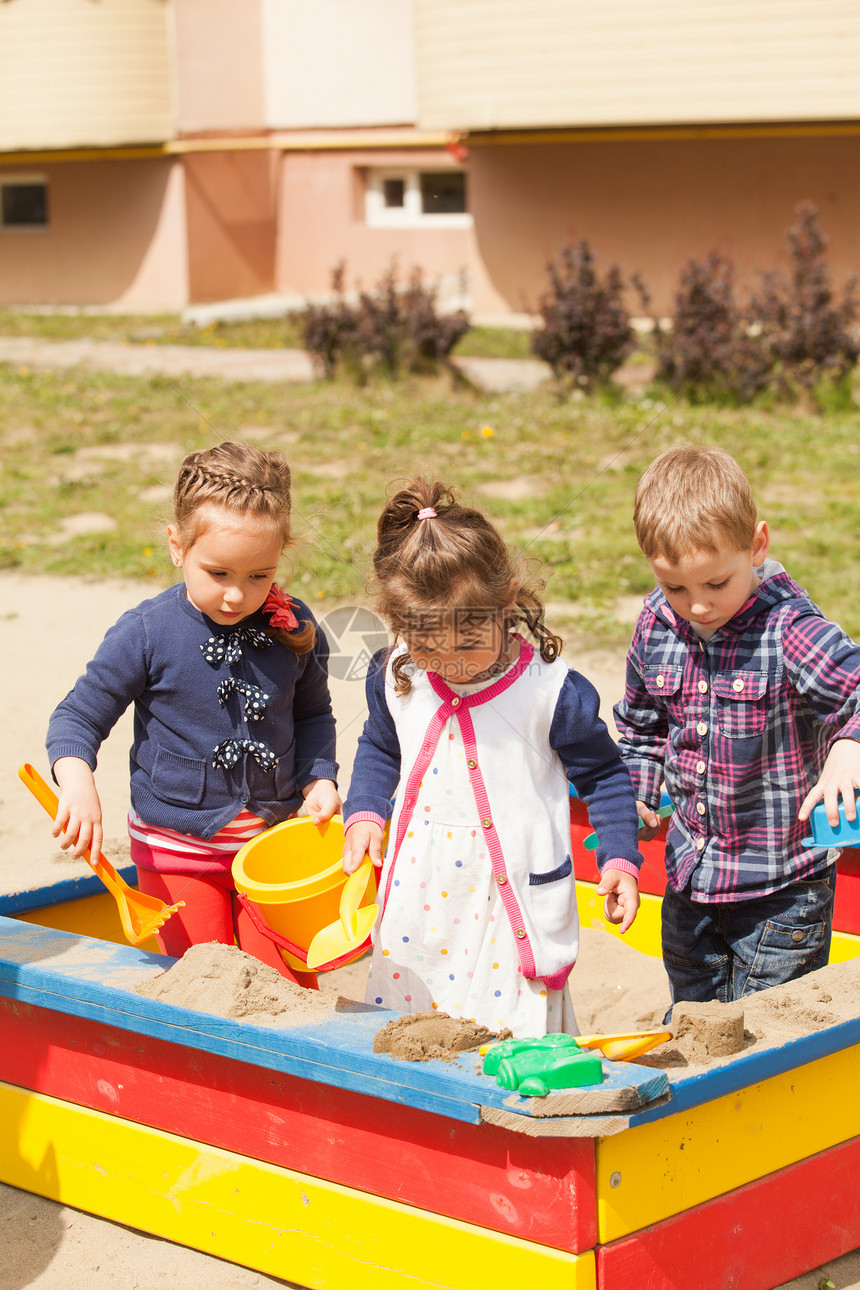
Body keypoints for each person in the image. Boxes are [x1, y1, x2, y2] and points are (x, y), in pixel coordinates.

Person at [341, 480, 643, 1037]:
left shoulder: (551, 694)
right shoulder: (398, 676)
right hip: (419, 896)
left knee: (509, 1034)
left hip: (508, 907)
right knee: (412, 1027)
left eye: (467, 642)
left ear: (506, 606)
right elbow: (380, 749)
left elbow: (603, 776)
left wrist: (620, 857)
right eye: (428, 647)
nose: (450, 664)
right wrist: (363, 812)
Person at [47, 441, 340, 986]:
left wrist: (318, 777)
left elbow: (314, 716)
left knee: (287, 984)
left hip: (269, 847)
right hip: (176, 847)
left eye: (260, 575)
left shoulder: (292, 625)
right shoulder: (148, 631)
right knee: (203, 982)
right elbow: (76, 719)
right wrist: (76, 781)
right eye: (219, 573)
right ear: (177, 546)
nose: (237, 595)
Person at [614, 445, 860, 1009]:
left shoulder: (789, 628)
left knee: (765, 1050)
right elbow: (642, 729)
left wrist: (849, 744)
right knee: (694, 1033)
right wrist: (634, 796)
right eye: (677, 588)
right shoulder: (657, 622)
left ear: (757, 545)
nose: (697, 606)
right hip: (689, 883)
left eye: (716, 584)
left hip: (780, 895)